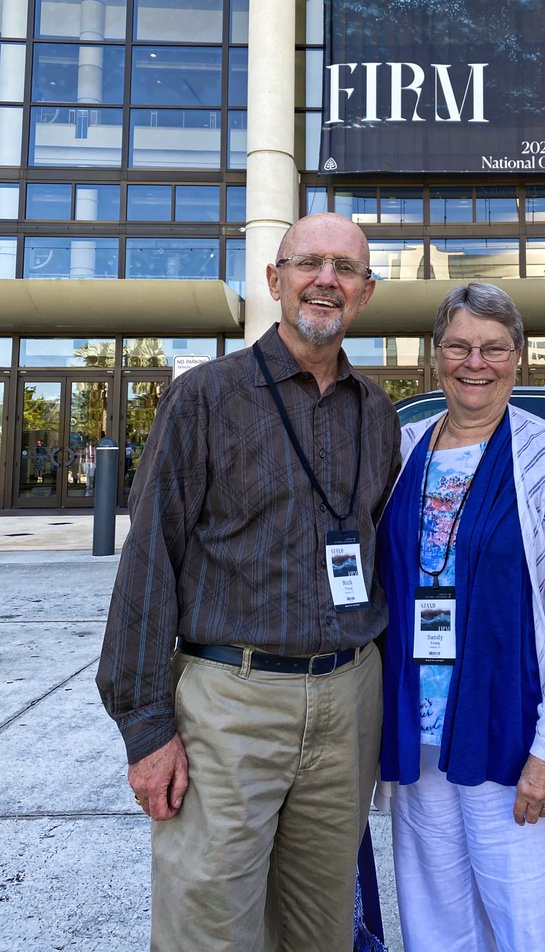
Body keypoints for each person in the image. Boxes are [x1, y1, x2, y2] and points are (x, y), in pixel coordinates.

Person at [96, 213, 401, 952]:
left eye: (345, 269)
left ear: (364, 293)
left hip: (347, 698)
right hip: (229, 703)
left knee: (321, 929)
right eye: (309, 263)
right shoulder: (205, 399)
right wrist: (145, 728)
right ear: (274, 279)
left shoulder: (379, 415)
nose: (325, 280)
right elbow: (149, 562)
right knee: (212, 929)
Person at [376, 282, 545, 952]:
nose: (475, 362)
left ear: (517, 357)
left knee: (534, 925)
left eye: (493, 348)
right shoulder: (402, 449)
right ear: (435, 356)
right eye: (459, 346)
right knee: (435, 926)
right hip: (421, 742)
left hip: (514, 737)